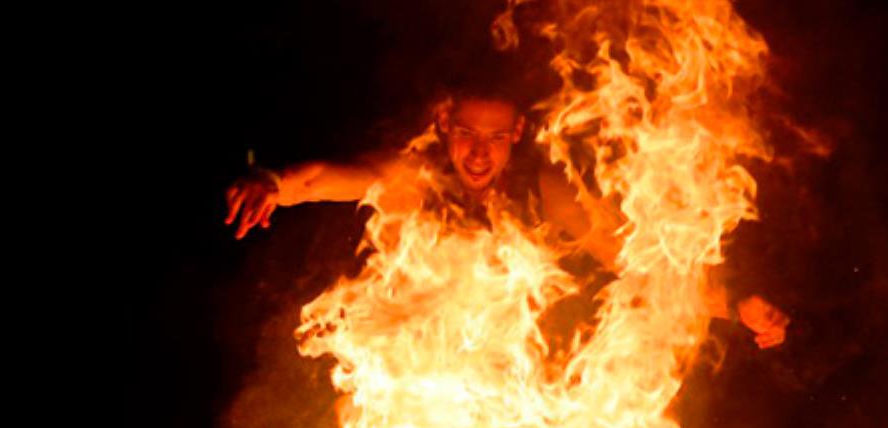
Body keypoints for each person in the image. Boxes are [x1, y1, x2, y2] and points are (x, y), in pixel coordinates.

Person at [224, 90, 790, 349]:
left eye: (496, 138)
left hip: (506, 380)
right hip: (409, 371)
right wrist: (273, 184)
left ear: (517, 134)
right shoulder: (416, 175)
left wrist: (732, 305)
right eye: (468, 133)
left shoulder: (546, 192)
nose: (478, 155)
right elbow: (327, 176)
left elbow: (637, 265)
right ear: (446, 124)